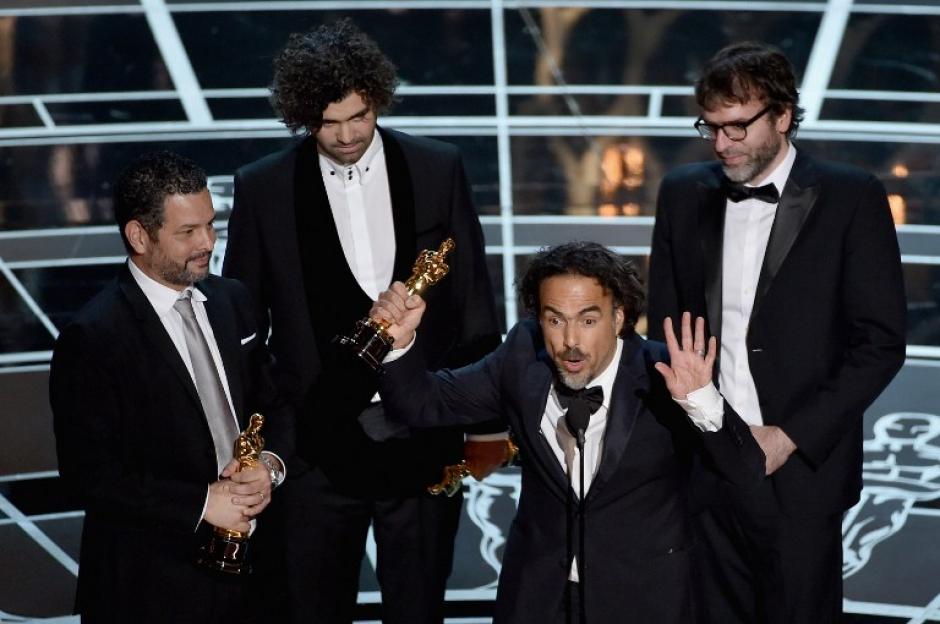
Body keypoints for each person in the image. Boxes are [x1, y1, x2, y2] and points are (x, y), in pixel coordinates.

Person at [222, 18, 503, 624]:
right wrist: (271, 434)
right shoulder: (264, 188)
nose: (347, 134)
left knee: (419, 607)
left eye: (359, 116)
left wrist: (479, 426)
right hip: (314, 447)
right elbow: (243, 326)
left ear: (377, 99)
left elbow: (475, 299)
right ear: (302, 116)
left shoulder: (437, 166)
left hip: (422, 434)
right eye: (329, 122)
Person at [647, 41, 907, 624]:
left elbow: (881, 343)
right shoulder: (681, 193)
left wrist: (788, 436)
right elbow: (665, 329)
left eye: (737, 127)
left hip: (801, 470)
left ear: (783, 115)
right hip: (703, 463)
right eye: (710, 128)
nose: (721, 143)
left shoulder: (851, 196)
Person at [369, 241, 763, 624]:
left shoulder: (664, 372)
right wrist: (399, 342)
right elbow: (423, 404)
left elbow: (746, 473)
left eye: (588, 320)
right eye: (555, 319)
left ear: (619, 318)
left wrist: (703, 401)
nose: (570, 342)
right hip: (538, 599)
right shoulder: (521, 356)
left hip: (644, 599)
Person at [49, 151, 293, 624]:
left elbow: (275, 403)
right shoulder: (95, 336)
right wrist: (205, 502)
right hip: (150, 587)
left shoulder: (234, 301)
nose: (207, 243)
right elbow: (89, 475)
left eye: (209, 224)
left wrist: (269, 466)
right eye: (187, 232)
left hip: (256, 579)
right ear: (139, 235)